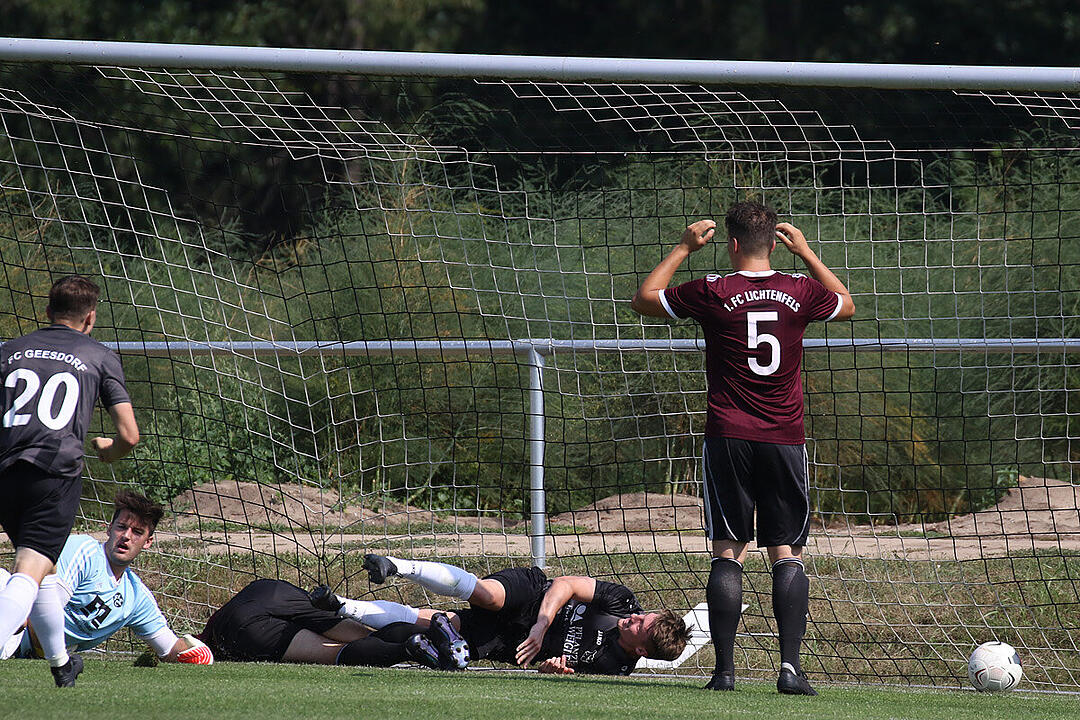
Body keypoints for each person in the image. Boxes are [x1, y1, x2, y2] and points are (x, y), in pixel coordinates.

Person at [630, 202, 855, 695]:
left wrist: (685, 247)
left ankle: (725, 672)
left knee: (728, 553)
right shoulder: (801, 290)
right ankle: (790, 670)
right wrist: (809, 253)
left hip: (728, 435)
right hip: (784, 439)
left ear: (731, 243)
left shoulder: (712, 290)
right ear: (774, 243)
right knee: (787, 553)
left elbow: (644, 298)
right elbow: (847, 303)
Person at [0, 275, 140, 686]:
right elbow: (129, 435)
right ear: (91, 317)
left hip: (6, 471)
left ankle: (61, 663)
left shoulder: (8, 351)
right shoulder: (98, 355)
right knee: (28, 570)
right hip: (55, 475)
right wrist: (107, 450)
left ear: (47, 312)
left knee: (46, 569)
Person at [310, 553, 691, 676]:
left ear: (640, 651)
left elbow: (560, 674)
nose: (636, 618)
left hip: (511, 643)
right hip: (531, 597)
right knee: (488, 595)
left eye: (641, 626)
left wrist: (550, 668)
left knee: (431, 626)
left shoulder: (613, 667)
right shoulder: (622, 602)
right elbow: (566, 584)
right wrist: (542, 625)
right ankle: (398, 565)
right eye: (646, 615)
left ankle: (342, 606)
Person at [1, 491, 212, 669]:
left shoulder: (136, 596)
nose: (127, 536)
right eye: (122, 527)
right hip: (14, 626)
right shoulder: (84, 552)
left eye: (137, 532)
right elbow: (39, 615)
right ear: (109, 529)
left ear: (147, 542)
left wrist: (196, 653)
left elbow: (169, 649)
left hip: (31, 650)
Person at [197, 577, 467, 670]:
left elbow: (182, 648)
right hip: (271, 590)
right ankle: (435, 630)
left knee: (335, 653)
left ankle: (408, 649)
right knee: (368, 635)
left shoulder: (208, 642)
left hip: (241, 627)